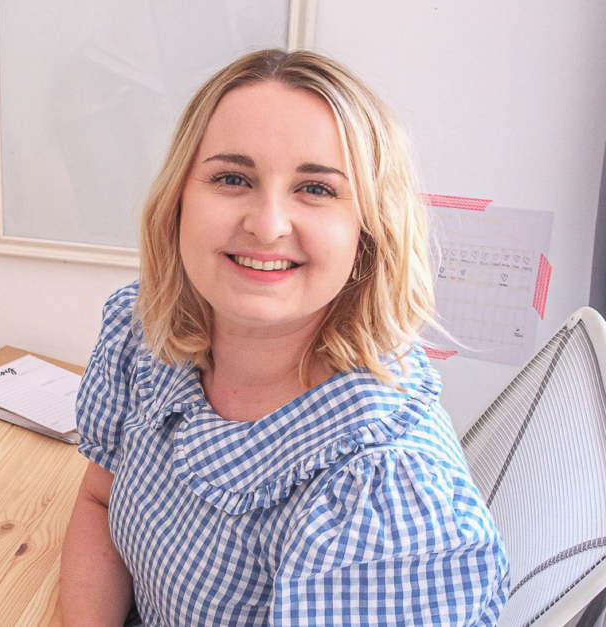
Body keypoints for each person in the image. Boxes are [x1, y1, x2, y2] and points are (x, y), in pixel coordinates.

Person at [60, 49, 510, 626]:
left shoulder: (381, 488)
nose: (267, 224)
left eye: (317, 190)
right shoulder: (144, 331)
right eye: (231, 178)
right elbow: (100, 500)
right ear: (178, 201)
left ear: (367, 234)